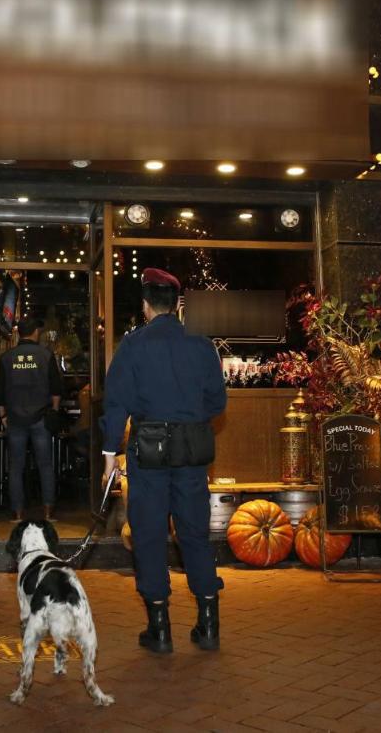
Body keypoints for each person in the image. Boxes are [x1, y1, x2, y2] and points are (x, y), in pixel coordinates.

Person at [101, 267, 227, 655]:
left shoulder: (133, 345)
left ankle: (159, 629)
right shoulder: (202, 345)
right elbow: (217, 402)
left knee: (149, 534)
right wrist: (189, 417)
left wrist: (109, 456)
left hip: (149, 454)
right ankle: (209, 625)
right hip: (191, 453)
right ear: (176, 305)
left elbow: (116, 403)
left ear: (145, 305)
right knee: (194, 533)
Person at [0, 317, 63, 522]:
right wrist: (54, 411)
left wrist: (3, 415)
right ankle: (48, 511)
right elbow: (56, 388)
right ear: (35, 332)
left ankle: (17, 513)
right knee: (45, 465)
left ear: (18, 332)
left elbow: (0, 392)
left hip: (15, 418)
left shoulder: (7, 357)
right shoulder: (46, 355)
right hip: (41, 417)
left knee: (16, 466)